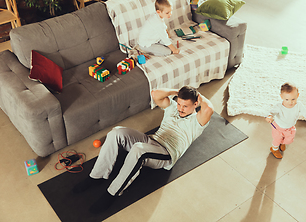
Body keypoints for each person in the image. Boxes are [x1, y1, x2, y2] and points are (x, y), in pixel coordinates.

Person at [73, 86, 213, 213]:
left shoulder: (197, 121)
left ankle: (112, 193)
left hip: (166, 153)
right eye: (179, 104)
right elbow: (155, 94)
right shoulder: (172, 108)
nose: (181, 108)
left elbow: (209, 109)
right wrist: (177, 92)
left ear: (195, 104)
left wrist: (197, 95)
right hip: (151, 140)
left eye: (185, 106)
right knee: (116, 132)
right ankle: (96, 176)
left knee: (138, 150)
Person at [265, 82, 306, 159]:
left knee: (288, 139)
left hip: (290, 127)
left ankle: (282, 142)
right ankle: (274, 149)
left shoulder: (299, 105)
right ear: (281, 97)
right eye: (287, 99)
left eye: (293, 99)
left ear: (297, 95)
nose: (290, 102)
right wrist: (270, 116)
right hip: (278, 127)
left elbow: (305, 112)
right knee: (277, 139)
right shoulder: (279, 106)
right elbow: (271, 112)